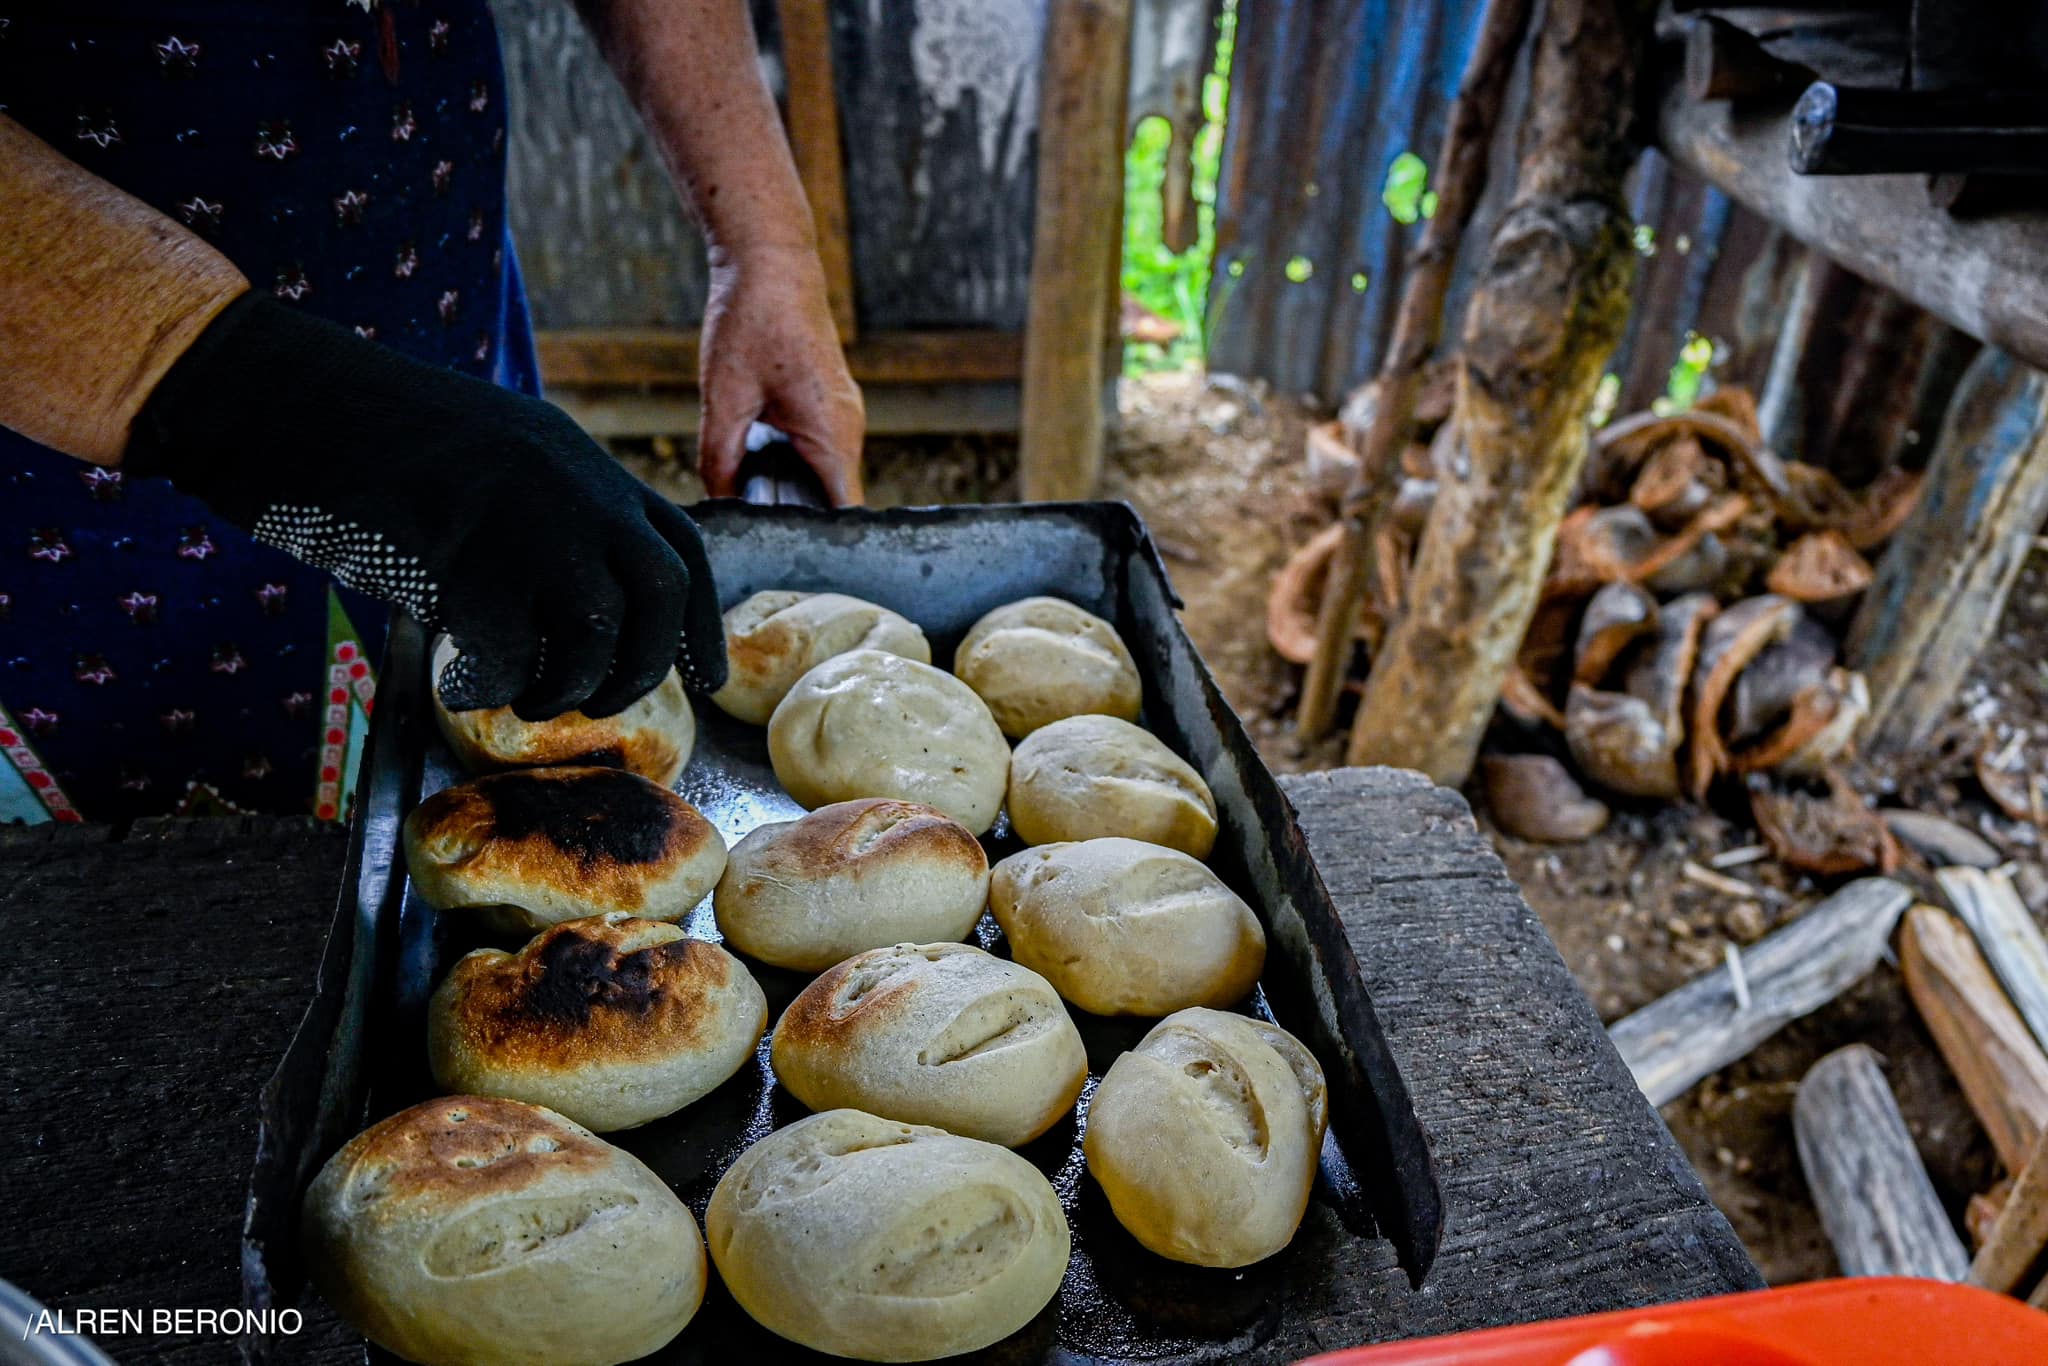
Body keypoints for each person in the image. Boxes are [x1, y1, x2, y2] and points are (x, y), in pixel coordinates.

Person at [0, 2, 863, 825]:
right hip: (56, 416)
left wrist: (762, 244)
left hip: (427, 277)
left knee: (501, 776)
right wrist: (232, 383)